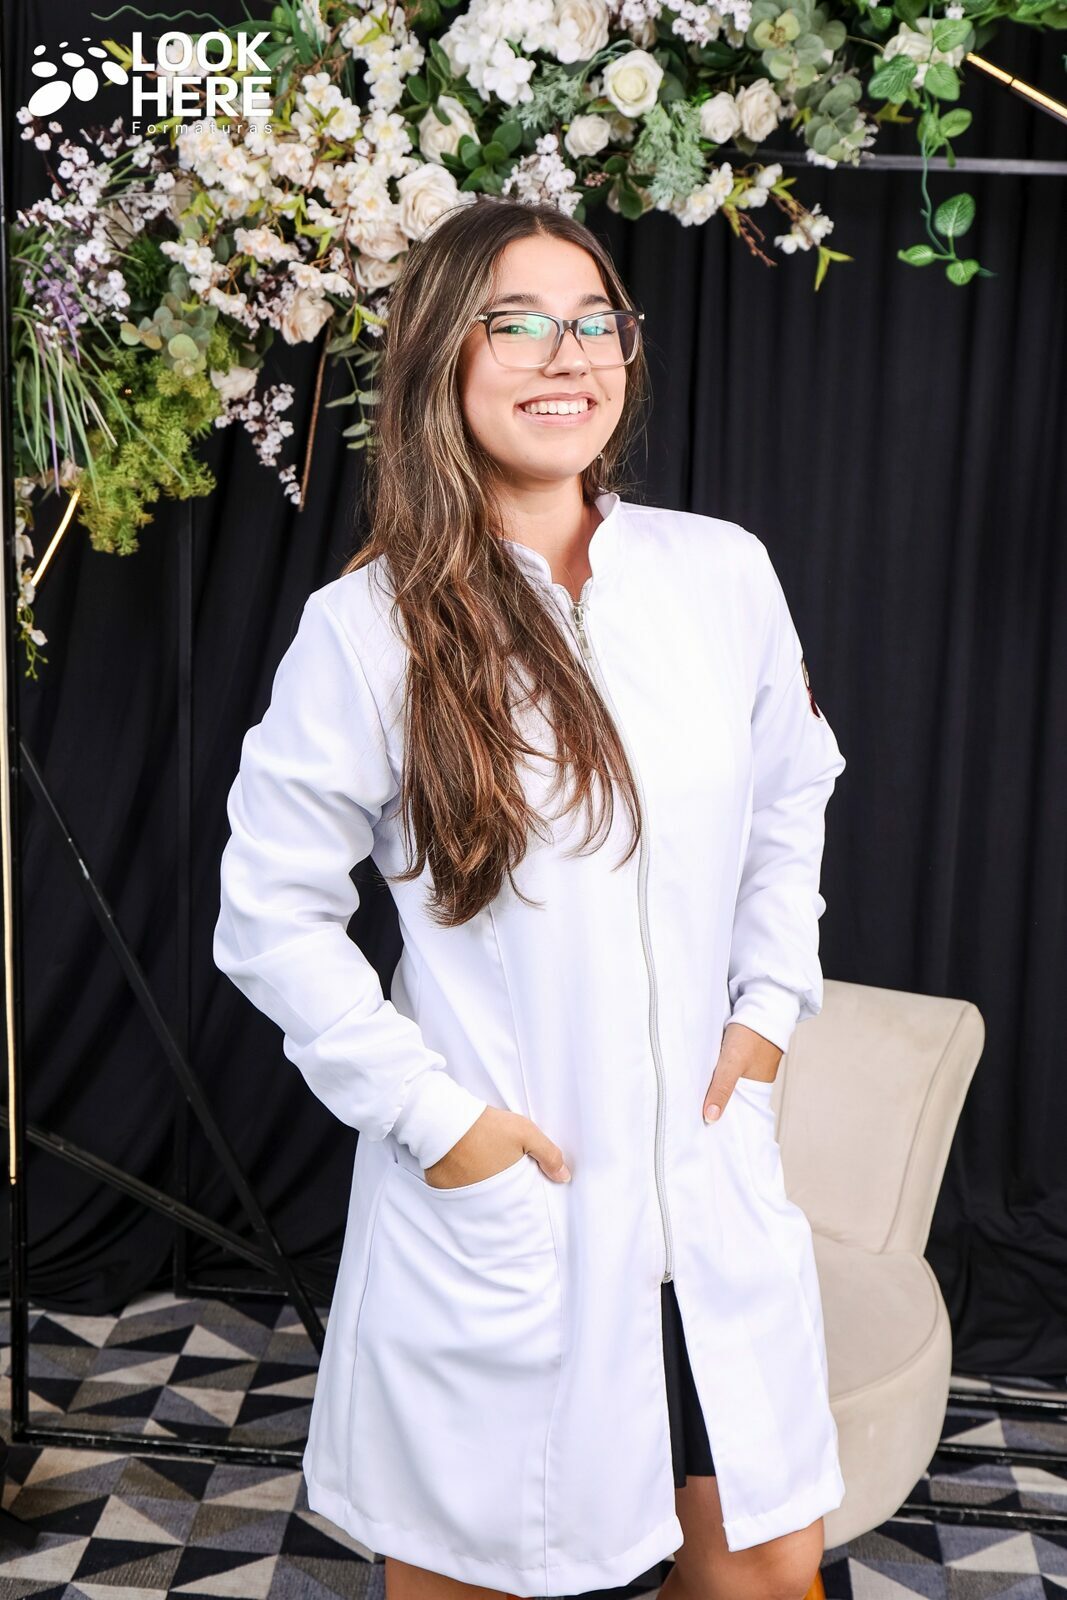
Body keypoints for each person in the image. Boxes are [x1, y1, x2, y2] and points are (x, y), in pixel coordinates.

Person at [213, 195, 848, 1600]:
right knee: (479, 1576)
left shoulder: (718, 573)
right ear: (442, 354)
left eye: (593, 320)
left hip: (705, 1187)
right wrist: (438, 1124)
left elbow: (790, 794)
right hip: (524, 1203)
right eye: (517, 324)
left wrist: (766, 1012)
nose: (567, 355)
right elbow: (268, 911)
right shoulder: (371, 628)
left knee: (765, 1569)